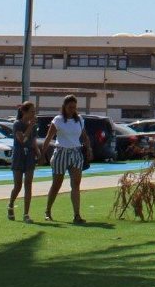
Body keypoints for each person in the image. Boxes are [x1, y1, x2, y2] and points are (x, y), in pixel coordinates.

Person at [42, 96, 92, 224]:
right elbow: (48, 137)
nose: (72, 110)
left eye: (74, 107)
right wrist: (42, 154)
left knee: (76, 184)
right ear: (64, 106)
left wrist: (89, 149)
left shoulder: (79, 120)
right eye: (70, 107)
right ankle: (47, 211)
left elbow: (84, 136)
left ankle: (77, 215)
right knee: (56, 184)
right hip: (61, 153)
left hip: (75, 153)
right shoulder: (58, 120)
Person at [6, 100, 42, 223]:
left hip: (29, 156)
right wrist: (30, 126)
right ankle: (10, 205)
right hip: (19, 156)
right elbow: (22, 139)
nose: (34, 114)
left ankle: (26, 214)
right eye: (32, 111)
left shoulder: (34, 126)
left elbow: (32, 140)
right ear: (24, 112)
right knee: (18, 185)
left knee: (28, 184)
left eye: (34, 111)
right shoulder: (17, 124)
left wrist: (38, 152)